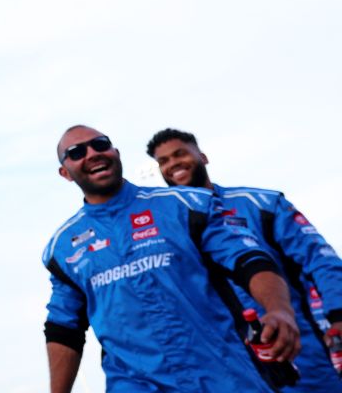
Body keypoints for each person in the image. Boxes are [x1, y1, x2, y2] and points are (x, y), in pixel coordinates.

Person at [42, 124, 301, 392]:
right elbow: (63, 328)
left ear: (116, 152)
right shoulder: (63, 248)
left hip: (224, 376)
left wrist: (279, 309)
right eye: (76, 152)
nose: (92, 153)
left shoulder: (186, 205)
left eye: (100, 144)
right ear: (65, 173)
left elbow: (249, 260)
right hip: (134, 384)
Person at [149, 127, 342, 392]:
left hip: (298, 355)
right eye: (163, 161)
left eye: (179, 154)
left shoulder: (261, 203)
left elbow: (321, 261)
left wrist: (338, 314)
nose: (173, 164)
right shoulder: (164, 230)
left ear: (203, 157)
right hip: (227, 371)